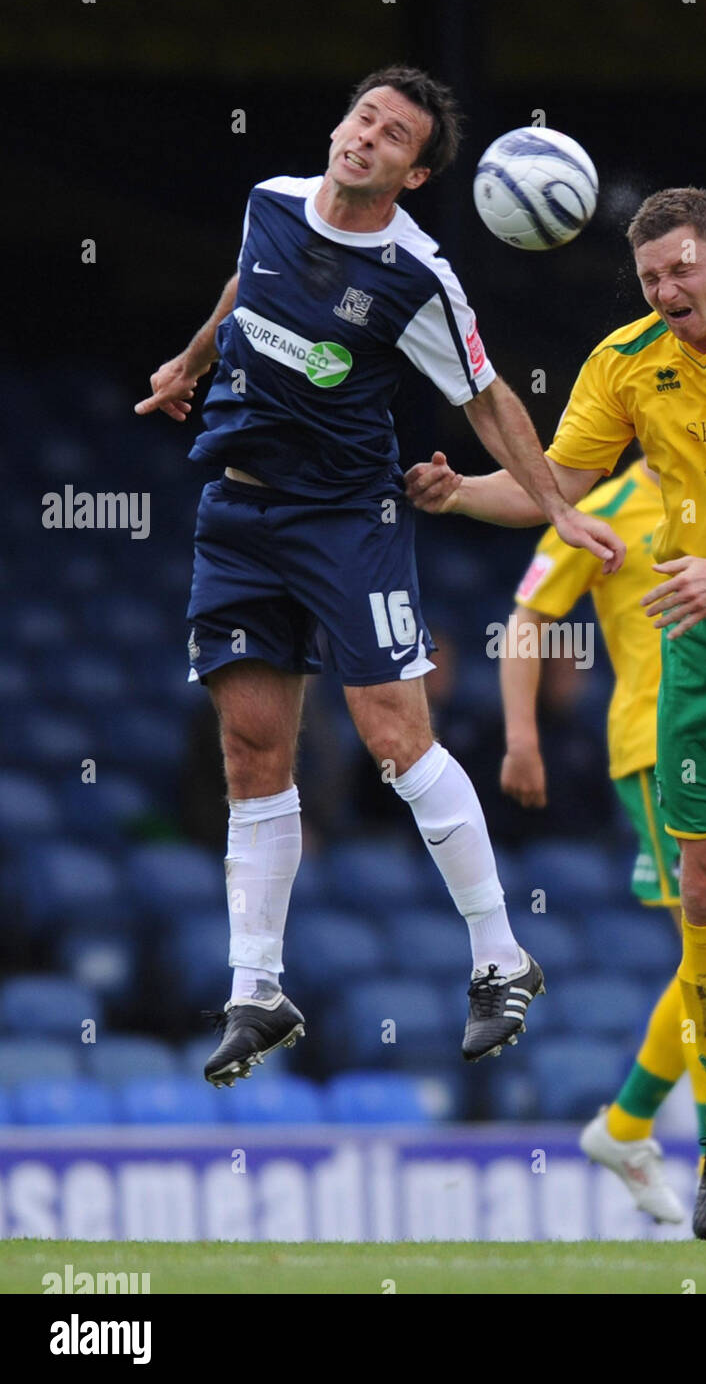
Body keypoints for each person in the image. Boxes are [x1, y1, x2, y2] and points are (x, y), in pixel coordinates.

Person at [406, 186, 706, 1240]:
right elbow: (558, 485)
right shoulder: (627, 360)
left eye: (681, 270)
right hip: (701, 649)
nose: (666, 292)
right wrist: (462, 493)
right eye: (650, 279)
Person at [134, 65, 625, 1086]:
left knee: (397, 740)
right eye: (362, 116)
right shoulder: (269, 201)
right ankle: (257, 989)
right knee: (252, 747)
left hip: (347, 519)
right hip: (237, 509)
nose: (366, 136)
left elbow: (489, 401)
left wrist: (557, 504)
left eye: (392, 134)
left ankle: (501, 958)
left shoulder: (416, 276)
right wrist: (188, 363)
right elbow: (242, 287)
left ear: (414, 172)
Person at [501, 452, 706, 1237]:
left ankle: (629, 1129)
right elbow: (529, 616)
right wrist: (523, 737)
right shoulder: (599, 513)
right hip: (657, 749)